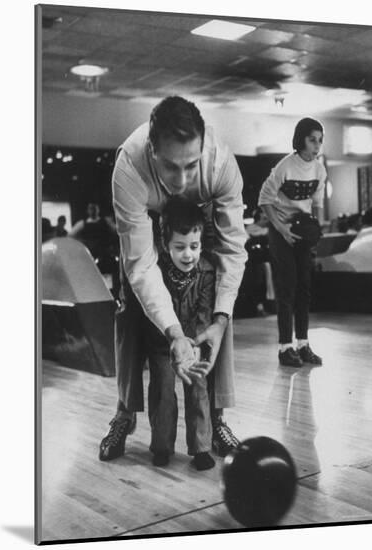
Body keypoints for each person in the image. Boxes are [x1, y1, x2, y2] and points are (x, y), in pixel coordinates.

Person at [99, 96, 248, 461]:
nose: (181, 182)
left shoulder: (221, 164)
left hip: (196, 229)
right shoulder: (129, 167)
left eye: (191, 166)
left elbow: (232, 249)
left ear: (203, 150)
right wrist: (175, 334)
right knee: (129, 309)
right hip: (151, 234)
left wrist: (219, 319)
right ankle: (124, 413)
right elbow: (141, 266)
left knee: (218, 313)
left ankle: (216, 420)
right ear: (152, 150)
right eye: (170, 167)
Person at [142, 197, 217, 470]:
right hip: (163, 343)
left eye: (194, 247)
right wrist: (171, 340)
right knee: (162, 389)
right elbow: (152, 308)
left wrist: (195, 343)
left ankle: (201, 448)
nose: (188, 255)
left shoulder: (206, 271)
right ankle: (162, 446)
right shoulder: (156, 270)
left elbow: (205, 311)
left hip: (193, 342)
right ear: (165, 245)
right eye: (180, 247)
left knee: (198, 387)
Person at [258, 117, 327, 368]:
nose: (317, 145)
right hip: (280, 230)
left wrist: (316, 234)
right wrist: (281, 228)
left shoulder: (319, 170)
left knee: (305, 288)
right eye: (312, 140)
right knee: (286, 287)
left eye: (320, 140)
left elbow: (317, 205)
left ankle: (303, 344)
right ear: (301, 140)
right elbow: (264, 199)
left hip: (302, 230)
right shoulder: (284, 167)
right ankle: (285, 348)